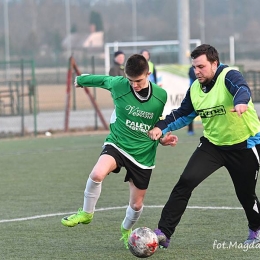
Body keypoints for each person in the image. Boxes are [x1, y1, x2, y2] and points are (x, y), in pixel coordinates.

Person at [61, 54, 178, 249]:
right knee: (97, 173)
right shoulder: (119, 84)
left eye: (139, 81)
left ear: (148, 73)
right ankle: (86, 213)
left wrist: (163, 138)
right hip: (117, 143)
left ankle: (126, 231)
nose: (134, 85)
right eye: (130, 80)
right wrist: (80, 80)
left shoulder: (160, 96)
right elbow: (101, 80)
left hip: (143, 154)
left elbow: (156, 124)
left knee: (136, 206)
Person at [148, 44, 260, 248]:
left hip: (244, 144)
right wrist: (161, 128)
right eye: (194, 68)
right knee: (185, 182)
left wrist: (241, 101)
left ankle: (256, 228)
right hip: (213, 146)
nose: (197, 71)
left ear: (214, 63)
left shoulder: (229, 75)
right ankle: (164, 232)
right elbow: (182, 115)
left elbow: (242, 89)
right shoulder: (195, 90)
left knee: (245, 193)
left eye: (201, 66)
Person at [187, 66, 197, 135]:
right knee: (190, 112)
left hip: (204, 92)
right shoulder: (191, 69)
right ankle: (190, 130)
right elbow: (194, 77)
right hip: (193, 93)